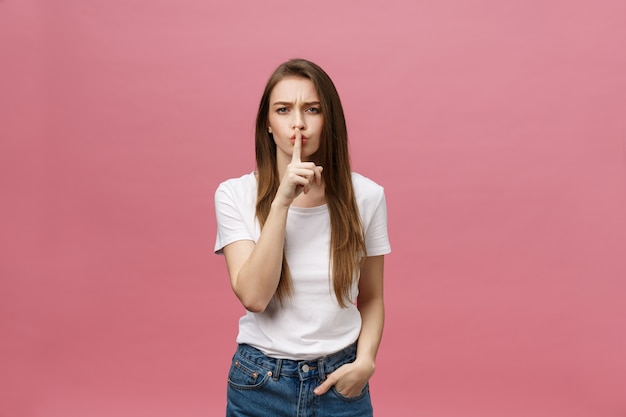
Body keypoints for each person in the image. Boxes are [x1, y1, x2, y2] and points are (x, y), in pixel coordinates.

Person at [214, 58, 391, 417]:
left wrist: (366, 362)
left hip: (339, 384)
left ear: (330, 119)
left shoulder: (367, 196)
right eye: (283, 110)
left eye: (312, 109)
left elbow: (371, 297)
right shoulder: (235, 194)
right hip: (261, 384)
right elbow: (253, 296)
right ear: (268, 122)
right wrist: (282, 202)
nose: (298, 123)